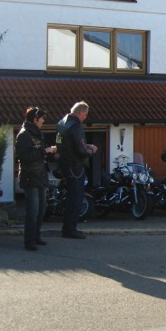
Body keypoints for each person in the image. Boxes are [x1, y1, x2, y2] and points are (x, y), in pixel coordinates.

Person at [15, 107, 56, 251]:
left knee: (41, 209)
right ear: (35, 119)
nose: (44, 121)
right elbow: (24, 156)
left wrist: (49, 153)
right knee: (33, 210)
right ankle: (29, 240)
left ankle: (37, 236)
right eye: (42, 118)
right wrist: (44, 151)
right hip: (30, 176)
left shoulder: (37, 133)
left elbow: (38, 154)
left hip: (40, 175)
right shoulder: (24, 135)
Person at [56, 101, 97, 239]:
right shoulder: (76, 126)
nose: (85, 118)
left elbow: (62, 143)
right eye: (85, 114)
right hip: (75, 166)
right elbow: (81, 150)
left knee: (70, 198)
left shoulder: (61, 124)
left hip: (65, 164)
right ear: (80, 112)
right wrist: (91, 150)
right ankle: (70, 229)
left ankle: (67, 228)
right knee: (76, 198)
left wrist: (85, 145)